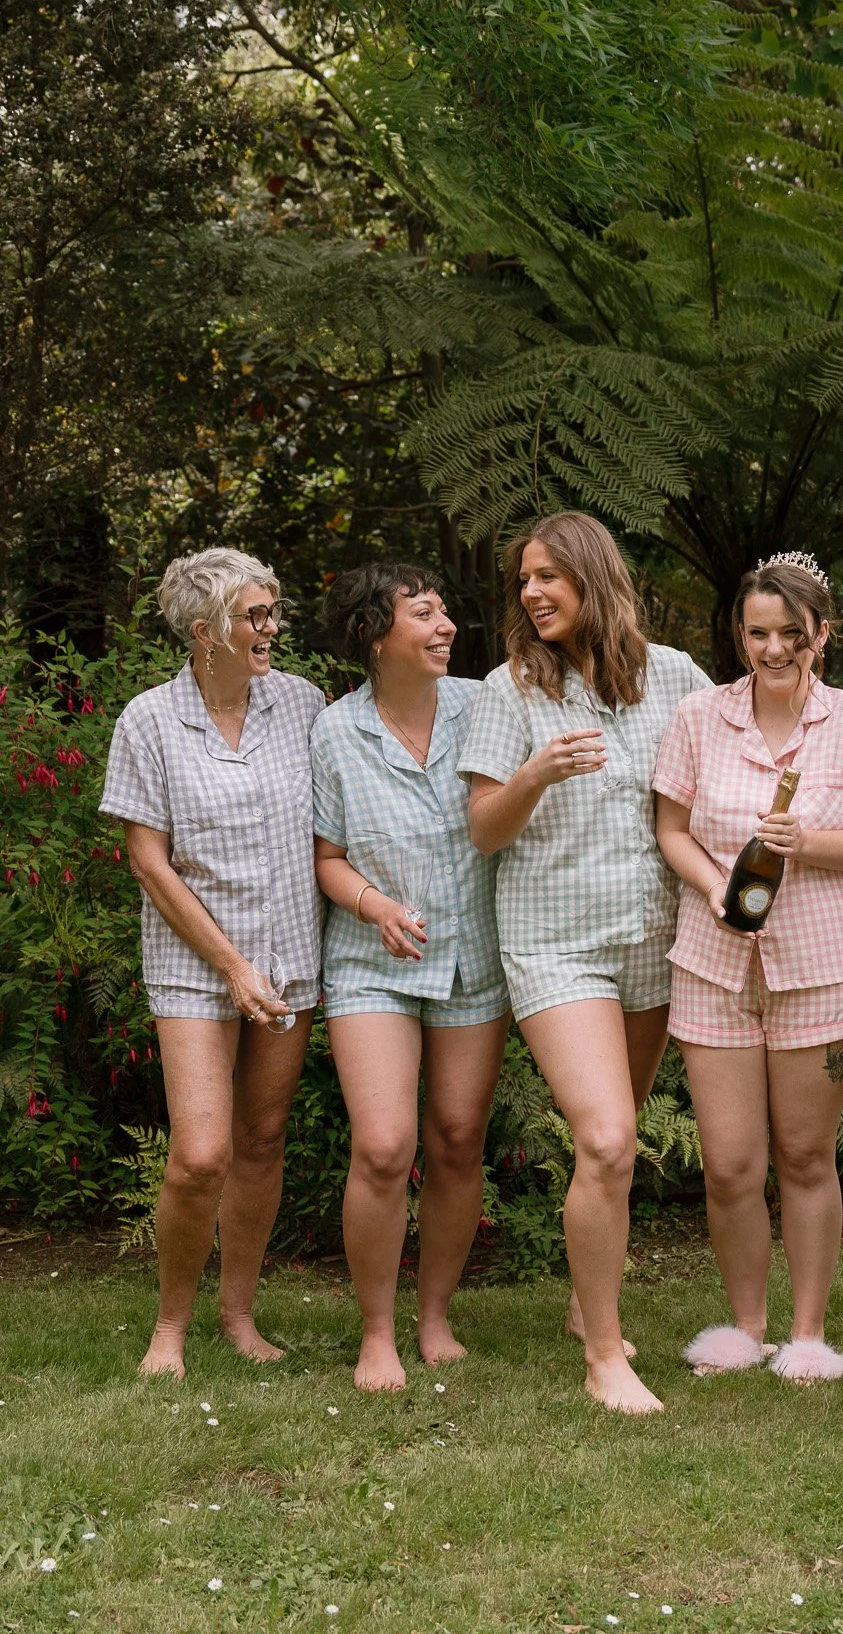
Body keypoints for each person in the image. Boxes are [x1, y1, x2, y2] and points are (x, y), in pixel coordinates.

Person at [460, 513, 711, 1415]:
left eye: (549, 578)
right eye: (524, 579)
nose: (531, 594)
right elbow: (484, 830)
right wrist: (533, 774)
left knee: (620, 1136)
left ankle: (581, 1302)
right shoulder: (506, 688)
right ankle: (605, 1358)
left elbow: (723, 772)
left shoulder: (674, 675)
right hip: (555, 941)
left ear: (593, 579)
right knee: (604, 1138)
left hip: (650, 937)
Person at [654, 552, 843, 1384]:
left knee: (803, 1155)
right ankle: (745, 1326)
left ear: (819, 634)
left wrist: (809, 844)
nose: (771, 650)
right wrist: (714, 884)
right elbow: (671, 830)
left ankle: (806, 1333)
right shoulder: (697, 715)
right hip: (713, 963)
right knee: (728, 1163)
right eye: (756, 633)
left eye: (789, 634)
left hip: (819, 966)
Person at [99, 547, 323, 1378]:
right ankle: (169, 1328)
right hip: (197, 966)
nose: (271, 627)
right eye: (253, 616)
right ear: (204, 633)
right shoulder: (148, 721)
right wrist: (231, 964)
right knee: (201, 1153)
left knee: (262, 1139)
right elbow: (149, 862)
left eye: (272, 612)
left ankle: (239, 1314)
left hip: (291, 955)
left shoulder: (302, 704)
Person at [312, 566, 510, 1392]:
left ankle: (435, 1319)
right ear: (374, 635)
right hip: (372, 963)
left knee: (459, 1141)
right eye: (422, 615)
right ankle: (377, 1334)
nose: (445, 627)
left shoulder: (483, 705)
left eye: (444, 614)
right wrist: (373, 905)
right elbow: (325, 857)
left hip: (472, 957)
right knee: (386, 1146)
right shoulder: (333, 732)